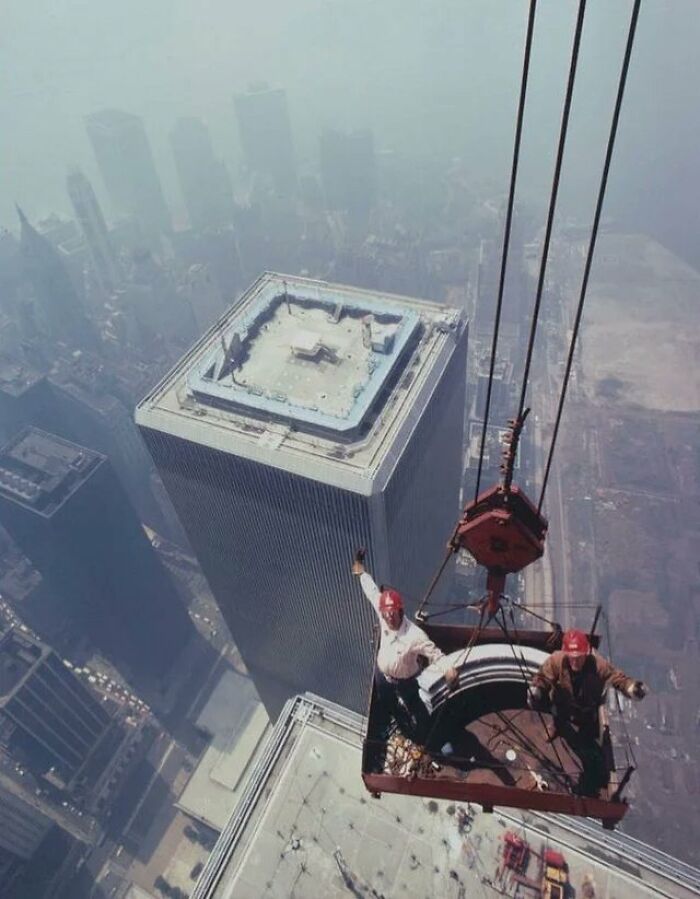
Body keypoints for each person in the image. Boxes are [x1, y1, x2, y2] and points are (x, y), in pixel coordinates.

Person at [352, 550, 458, 747]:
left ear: (400, 610)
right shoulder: (383, 614)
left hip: (405, 680)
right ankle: (398, 719)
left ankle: (425, 736)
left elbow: (434, 653)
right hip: (383, 676)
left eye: (393, 613)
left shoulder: (414, 635)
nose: (389, 617)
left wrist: (449, 671)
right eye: (386, 614)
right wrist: (360, 570)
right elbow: (372, 591)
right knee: (387, 701)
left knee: (414, 704)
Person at [529, 628, 647, 795]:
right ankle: (556, 728)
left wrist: (632, 688)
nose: (575, 662)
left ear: (586, 653)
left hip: (585, 707)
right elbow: (543, 677)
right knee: (558, 717)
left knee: (586, 736)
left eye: (579, 657)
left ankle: (589, 771)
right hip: (562, 702)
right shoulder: (557, 660)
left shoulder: (598, 665)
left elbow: (617, 678)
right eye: (572, 657)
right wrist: (537, 690)